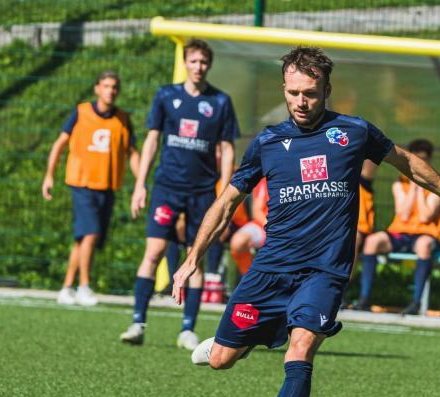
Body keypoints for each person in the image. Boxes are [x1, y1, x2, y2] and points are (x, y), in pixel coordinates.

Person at [172, 46, 440, 397]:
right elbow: (226, 203)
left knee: (301, 348)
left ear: (327, 90)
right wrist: (192, 260)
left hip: (324, 272)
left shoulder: (353, 133)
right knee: (222, 360)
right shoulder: (267, 142)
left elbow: (408, 163)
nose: (301, 102)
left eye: (310, 93)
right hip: (270, 272)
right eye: (293, 92)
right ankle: (239, 343)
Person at [119, 39, 240, 349]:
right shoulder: (166, 96)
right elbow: (151, 141)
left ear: (208, 66)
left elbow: (226, 149)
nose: (198, 67)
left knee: (193, 256)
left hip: (202, 192)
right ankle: (137, 322)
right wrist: (140, 184)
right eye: (193, 61)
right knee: (154, 251)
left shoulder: (220, 102)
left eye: (203, 62)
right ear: (185, 62)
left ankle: (188, 329)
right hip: (167, 187)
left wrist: (223, 193)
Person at [41, 70, 139, 306]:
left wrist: (140, 184)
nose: (110, 91)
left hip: (107, 186)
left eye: (114, 87)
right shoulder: (81, 112)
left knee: (83, 239)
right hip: (82, 183)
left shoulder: (123, 119)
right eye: (106, 86)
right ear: (97, 88)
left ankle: (66, 288)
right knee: (91, 234)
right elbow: (59, 144)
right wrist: (49, 175)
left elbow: (133, 153)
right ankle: (84, 286)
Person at [355, 139, 440, 315]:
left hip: (427, 234)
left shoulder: (438, 184)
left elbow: (426, 215)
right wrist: (413, 185)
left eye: (424, 160)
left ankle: (416, 302)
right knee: (372, 242)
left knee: (423, 245)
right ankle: (364, 298)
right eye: (416, 159)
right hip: (401, 233)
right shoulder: (399, 184)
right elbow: (403, 214)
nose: (421, 164)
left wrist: (421, 186)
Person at [228, 179, 269, 275]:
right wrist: (273, 229)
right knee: (238, 242)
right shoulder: (265, 182)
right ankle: (250, 278)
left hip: (288, 228)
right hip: (265, 225)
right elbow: (257, 211)